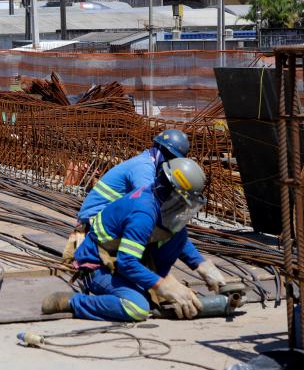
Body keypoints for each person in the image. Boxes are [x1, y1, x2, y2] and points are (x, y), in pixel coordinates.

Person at [42, 158, 226, 322]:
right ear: (173, 194)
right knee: (137, 308)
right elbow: (126, 262)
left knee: (179, 233)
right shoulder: (143, 213)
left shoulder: (158, 201)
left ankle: (151, 286)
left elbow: (175, 234)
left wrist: (201, 265)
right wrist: (163, 285)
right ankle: (75, 302)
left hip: (121, 260)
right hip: (98, 265)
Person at [77, 128, 190, 226]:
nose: (170, 161)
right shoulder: (144, 167)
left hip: (103, 215)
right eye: (169, 156)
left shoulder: (147, 162)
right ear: (159, 147)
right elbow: (148, 203)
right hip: (93, 219)